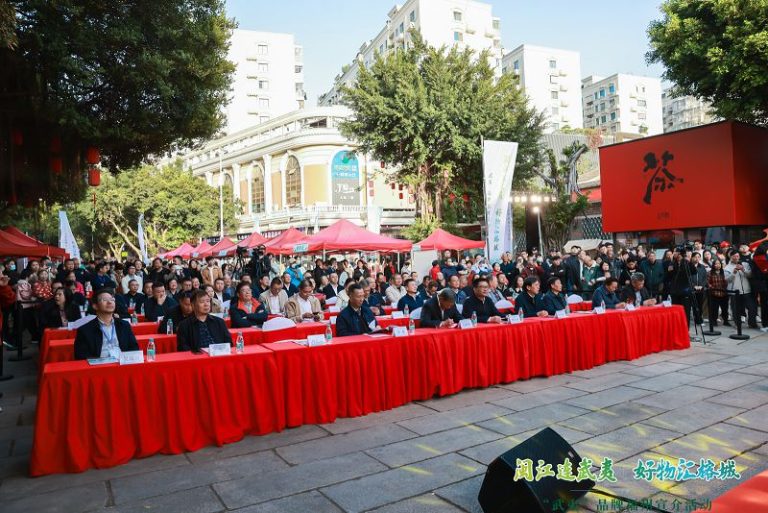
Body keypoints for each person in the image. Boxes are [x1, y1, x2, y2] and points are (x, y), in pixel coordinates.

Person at [73, 289, 139, 360]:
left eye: (112, 299)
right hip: (99, 367)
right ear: (95, 306)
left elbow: (134, 349)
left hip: (122, 365)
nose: (110, 302)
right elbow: (81, 357)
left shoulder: (124, 325)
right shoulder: (85, 330)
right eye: (104, 300)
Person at [724, 250, 757, 329]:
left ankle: (752, 324)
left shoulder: (745, 264)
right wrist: (734, 272)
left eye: (738, 256)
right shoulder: (727, 267)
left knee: (752, 308)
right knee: (736, 310)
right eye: (734, 256)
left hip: (746, 290)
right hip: (735, 291)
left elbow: (750, 275)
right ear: (730, 257)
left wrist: (743, 269)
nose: (736, 258)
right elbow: (727, 280)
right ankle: (738, 324)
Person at [707, 259, 729, 327]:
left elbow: (727, 282)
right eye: (716, 264)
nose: (718, 265)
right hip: (714, 293)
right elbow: (708, 282)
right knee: (714, 309)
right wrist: (711, 287)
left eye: (719, 264)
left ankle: (726, 321)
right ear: (713, 265)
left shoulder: (723, 272)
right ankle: (714, 321)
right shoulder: (710, 273)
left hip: (723, 293)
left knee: (725, 309)